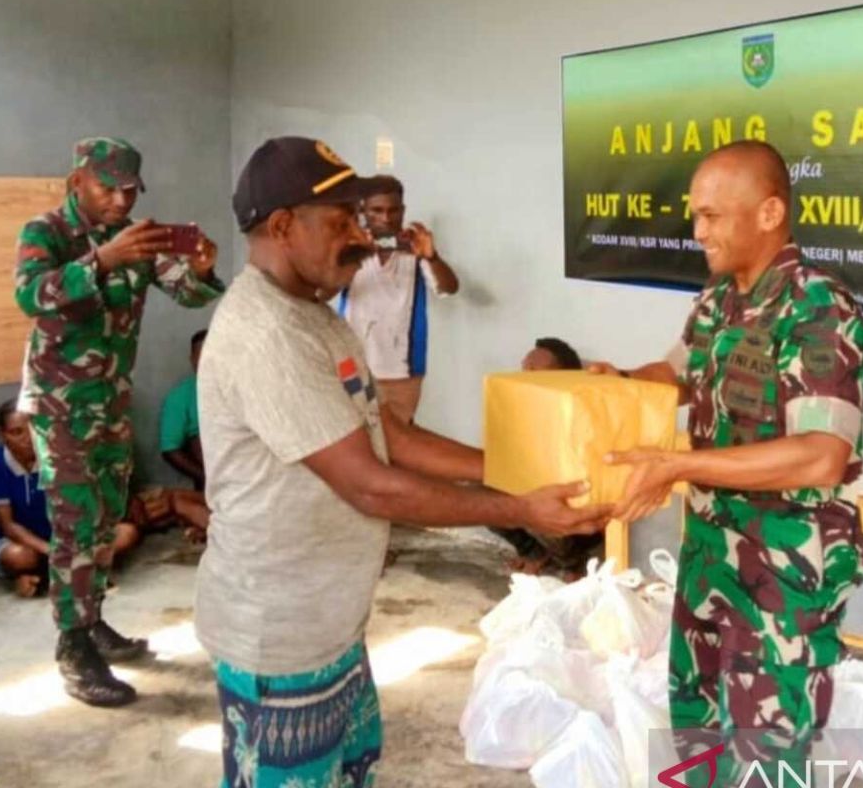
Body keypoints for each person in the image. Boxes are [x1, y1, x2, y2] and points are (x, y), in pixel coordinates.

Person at [197, 136, 609, 788]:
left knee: (352, 771)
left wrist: (516, 472)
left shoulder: (319, 319)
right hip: (280, 638)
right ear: (282, 226)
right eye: (339, 222)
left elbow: (391, 435)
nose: (359, 235)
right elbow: (374, 486)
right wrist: (521, 509)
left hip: (334, 625)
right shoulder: (267, 336)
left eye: (358, 218)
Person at [593, 140, 863, 783]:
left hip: (782, 579)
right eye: (695, 216)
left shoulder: (819, 309)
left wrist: (678, 465)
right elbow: (675, 371)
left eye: (713, 216)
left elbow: (820, 457)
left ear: (770, 212)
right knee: (699, 737)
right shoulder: (719, 299)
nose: (698, 232)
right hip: (709, 561)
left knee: (765, 760)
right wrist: (616, 381)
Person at [14, 136, 224, 707]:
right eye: (109, 188)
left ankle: (93, 618)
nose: (120, 200)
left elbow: (186, 293)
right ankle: (73, 647)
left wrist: (202, 269)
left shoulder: (135, 237)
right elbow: (31, 295)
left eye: (130, 190)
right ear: (78, 179)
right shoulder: (47, 232)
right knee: (76, 522)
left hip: (111, 402)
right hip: (62, 407)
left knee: (106, 516)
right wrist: (101, 260)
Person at [0, 400, 140, 597]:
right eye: (16, 432)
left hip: (59, 539)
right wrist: (55, 552)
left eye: (33, 429)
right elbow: (9, 526)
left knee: (125, 533)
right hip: (17, 543)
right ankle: (59, 573)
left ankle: (47, 577)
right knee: (21, 558)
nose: (28, 438)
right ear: (2, 434)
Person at [338, 175, 459, 424]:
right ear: (363, 211)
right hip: (351, 363)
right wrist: (357, 252)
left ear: (403, 211)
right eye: (377, 210)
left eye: (393, 210)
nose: (385, 218)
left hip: (402, 369)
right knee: (354, 438)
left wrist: (432, 257)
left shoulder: (416, 249)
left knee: (398, 439)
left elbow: (449, 288)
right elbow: (321, 293)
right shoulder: (347, 248)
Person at [493, 337, 603, 578]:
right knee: (482, 492)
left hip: (578, 509)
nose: (523, 374)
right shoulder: (520, 408)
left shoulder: (580, 412)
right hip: (536, 496)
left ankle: (572, 564)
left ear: (563, 375)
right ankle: (533, 552)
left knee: (541, 502)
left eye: (533, 369)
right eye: (524, 367)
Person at [161, 329, 207, 490]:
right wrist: (206, 478)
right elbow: (170, 449)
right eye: (200, 358)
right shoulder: (179, 397)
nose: (206, 364)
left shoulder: (240, 390)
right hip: (209, 475)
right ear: (192, 359)